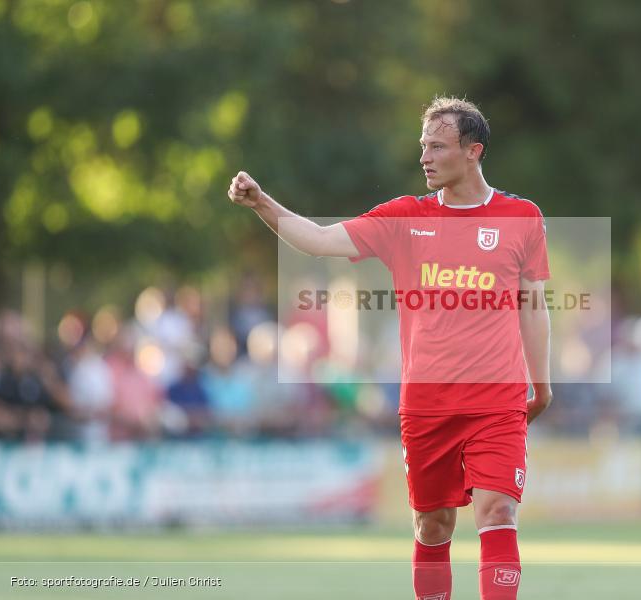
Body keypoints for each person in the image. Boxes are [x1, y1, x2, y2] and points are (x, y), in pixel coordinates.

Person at [228, 96, 552, 600]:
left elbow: (533, 306)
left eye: (437, 146)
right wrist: (262, 203)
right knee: (433, 526)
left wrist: (542, 382)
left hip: (497, 400)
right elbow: (316, 239)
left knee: (498, 511)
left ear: (473, 151)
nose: (423, 156)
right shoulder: (403, 218)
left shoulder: (522, 217)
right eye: (422, 145)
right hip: (426, 405)